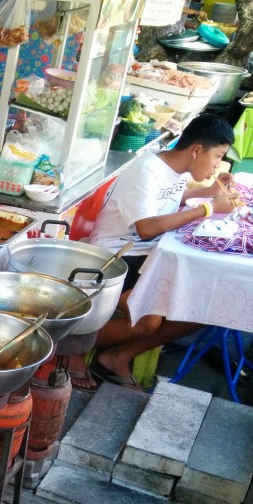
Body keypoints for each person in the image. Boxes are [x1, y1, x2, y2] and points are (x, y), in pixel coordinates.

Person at [84, 112, 237, 389]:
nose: (217, 165)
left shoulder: (176, 168)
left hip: (149, 254)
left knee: (206, 305)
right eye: (217, 156)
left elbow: (173, 197)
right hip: (115, 258)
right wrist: (209, 209)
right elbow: (146, 227)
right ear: (197, 150)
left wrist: (210, 192)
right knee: (149, 320)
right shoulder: (146, 170)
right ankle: (71, 348)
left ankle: (118, 356)